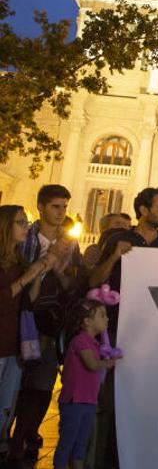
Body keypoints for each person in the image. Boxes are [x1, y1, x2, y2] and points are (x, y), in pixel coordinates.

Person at [88, 187, 158, 469]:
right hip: (115, 333)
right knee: (109, 402)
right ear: (143, 210)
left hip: (152, 338)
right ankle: (103, 459)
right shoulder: (118, 239)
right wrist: (114, 256)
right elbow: (94, 280)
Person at [9, 185, 87, 468]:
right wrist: (46, 259)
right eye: (56, 206)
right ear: (41, 207)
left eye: (65, 207)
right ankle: (10, 436)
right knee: (18, 382)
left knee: (42, 385)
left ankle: (26, 435)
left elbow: (74, 283)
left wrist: (57, 267)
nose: (61, 212)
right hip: (22, 318)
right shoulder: (24, 237)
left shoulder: (70, 243)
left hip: (51, 322)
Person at [0, 206, 57, 453]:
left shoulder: (20, 261)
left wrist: (39, 272)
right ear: (5, 227)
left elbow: (27, 300)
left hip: (14, 344)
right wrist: (28, 276)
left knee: (6, 404)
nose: (26, 227)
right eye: (20, 223)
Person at [53, 298, 117, 469]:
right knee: (67, 442)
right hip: (74, 401)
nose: (107, 319)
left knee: (81, 444)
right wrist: (110, 363)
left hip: (88, 401)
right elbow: (92, 364)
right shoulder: (81, 341)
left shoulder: (95, 344)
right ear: (87, 321)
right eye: (102, 315)